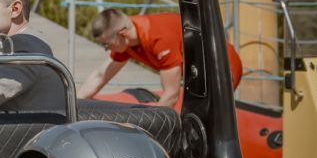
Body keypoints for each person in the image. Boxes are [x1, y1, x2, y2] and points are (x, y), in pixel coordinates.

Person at [78, 9, 243, 107]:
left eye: (107, 44)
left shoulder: (158, 38)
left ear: (123, 33)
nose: (106, 49)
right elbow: (100, 76)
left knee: (203, 117)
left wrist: (149, 125)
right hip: (195, 73)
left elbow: (171, 94)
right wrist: (75, 104)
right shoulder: (126, 43)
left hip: (222, 67)